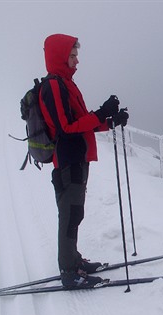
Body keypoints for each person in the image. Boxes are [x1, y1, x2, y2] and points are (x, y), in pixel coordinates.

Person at [39, 33, 129, 288]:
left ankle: (74, 260)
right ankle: (69, 271)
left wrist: (109, 121)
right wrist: (102, 112)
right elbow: (66, 127)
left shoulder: (66, 84)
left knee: (75, 213)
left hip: (78, 157)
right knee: (69, 214)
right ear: (60, 56)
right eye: (73, 56)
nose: (77, 61)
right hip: (68, 159)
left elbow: (81, 121)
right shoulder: (54, 86)